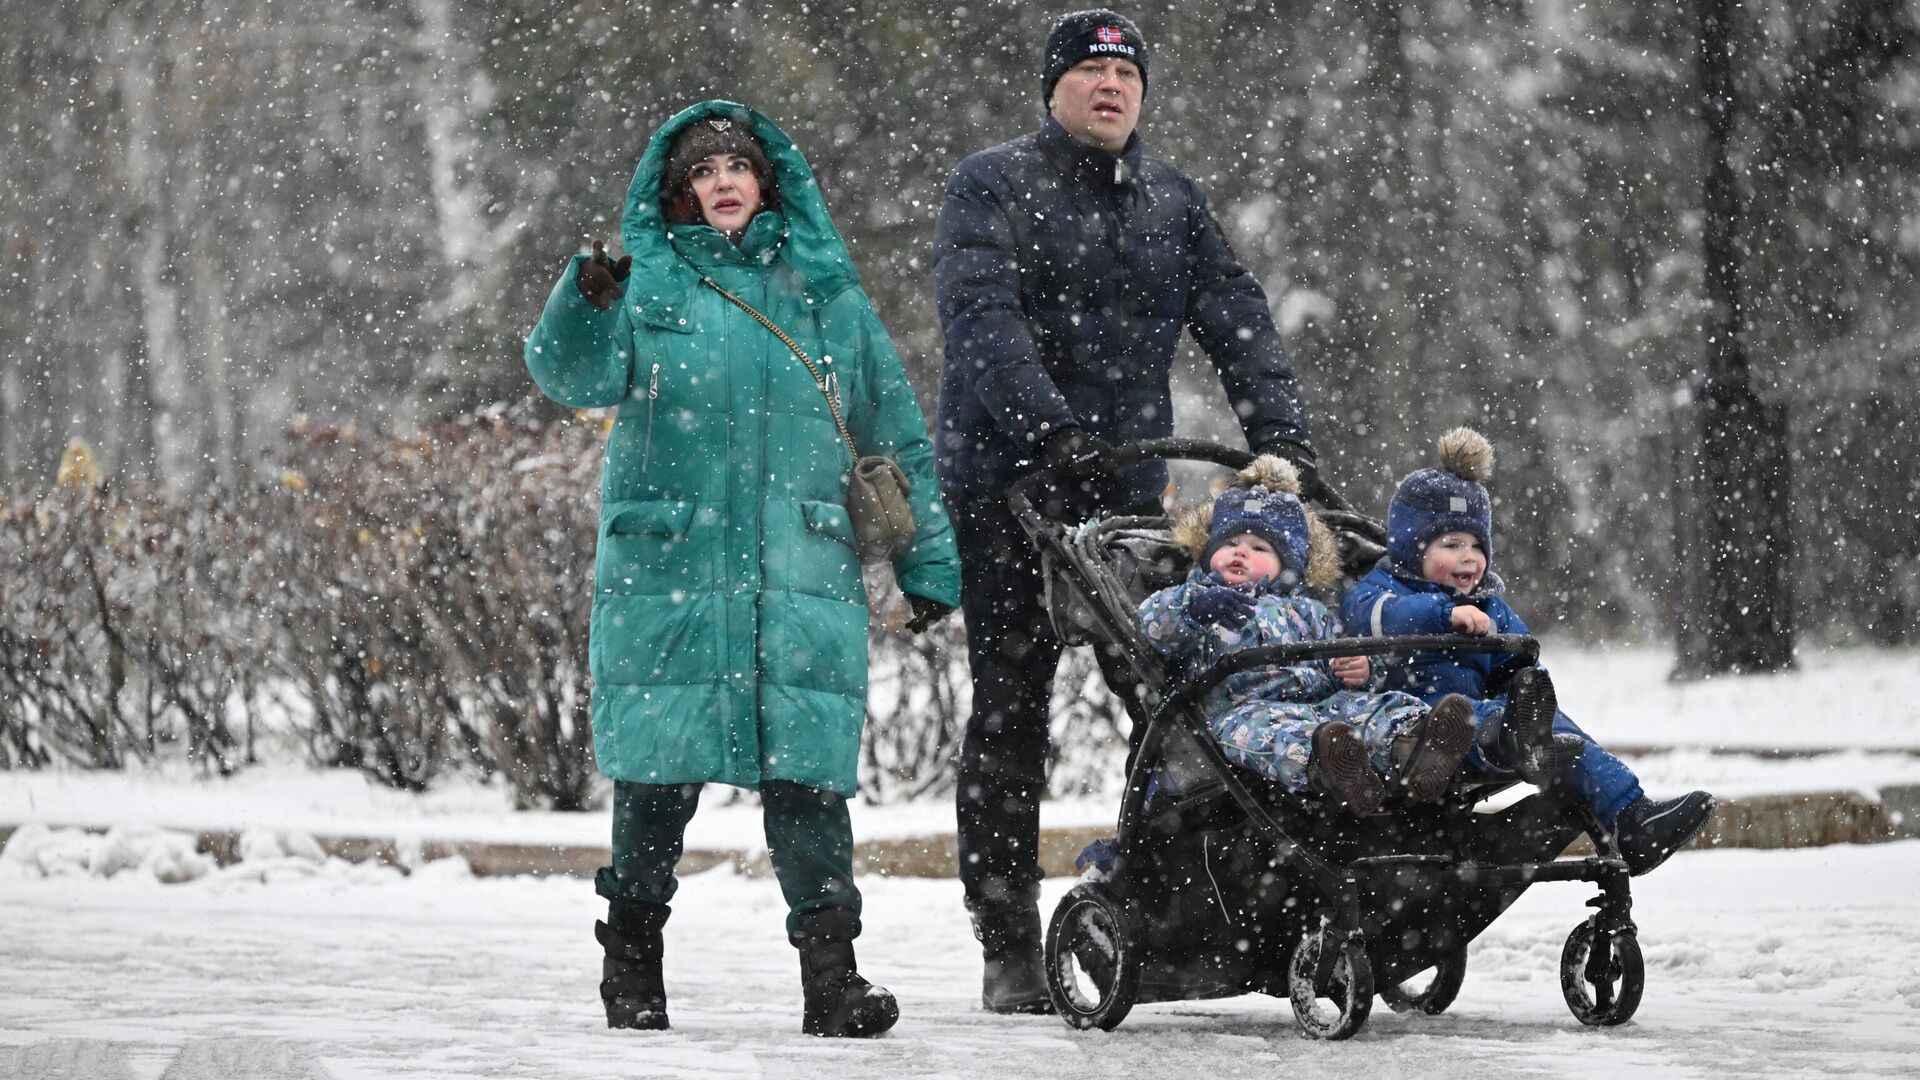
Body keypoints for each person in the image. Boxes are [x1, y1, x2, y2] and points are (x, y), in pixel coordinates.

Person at [523, 100, 961, 1038]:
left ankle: (833, 983)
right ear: (679, 193)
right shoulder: (646, 290)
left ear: (767, 182)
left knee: (810, 784)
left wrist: (928, 562)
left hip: (802, 570)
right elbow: (569, 377)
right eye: (702, 170)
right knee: (655, 780)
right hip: (669, 569)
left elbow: (894, 435)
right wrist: (584, 298)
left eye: (737, 166)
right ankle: (631, 971)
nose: (722, 181)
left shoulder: (825, 295)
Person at [932, 8, 1329, 1013]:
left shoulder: (1171, 202)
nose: (1111, 85)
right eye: (1090, 70)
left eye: (1128, 74)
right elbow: (983, 320)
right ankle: (1006, 937)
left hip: (1124, 495)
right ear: (1053, 88)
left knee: (1173, 703)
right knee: (1012, 709)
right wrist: (1048, 427)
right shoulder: (991, 186)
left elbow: (1236, 317)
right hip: (1009, 488)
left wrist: (1283, 440)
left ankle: (1181, 903)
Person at [1340, 427, 1717, 876]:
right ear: (1409, 549)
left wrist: (1519, 669)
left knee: (1561, 732)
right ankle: (1515, 738)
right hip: (1417, 717)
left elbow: (1516, 647)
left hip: (1484, 708)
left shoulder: (1487, 603)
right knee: (1475, 719)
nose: (1469, 557)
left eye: (1476, 545)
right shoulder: (1379, 591)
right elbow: (1379, 617)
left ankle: (1631, 816)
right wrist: (1444, 614)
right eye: (1451, 545)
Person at [1138, 456, 1478, 813]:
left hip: (1322, 706)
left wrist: (1361, 669)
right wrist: (1193, 609)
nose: (1240, 551)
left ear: (1289, 566)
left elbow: (1342, 654)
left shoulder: (1309, 611)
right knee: (1275, 737)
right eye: (1230, 542)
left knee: (1374, 708)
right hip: (1243, 710)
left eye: (1259, 548)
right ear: (1208, 552)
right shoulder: (1198, 599)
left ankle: (1415, 746)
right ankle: (1330, 767)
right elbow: (1154, 624)